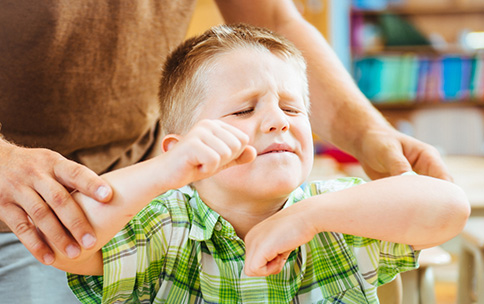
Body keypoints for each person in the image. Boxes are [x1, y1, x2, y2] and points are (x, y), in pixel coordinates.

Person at [0, 1, 452, 302]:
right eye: (243, 110)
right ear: (182, 153)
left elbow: (445, 208)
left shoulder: (334, 215)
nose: (279, 119)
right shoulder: (163, 226)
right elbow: (69, 243)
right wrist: (164, 172)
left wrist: (305, 217)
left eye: (293, 107)